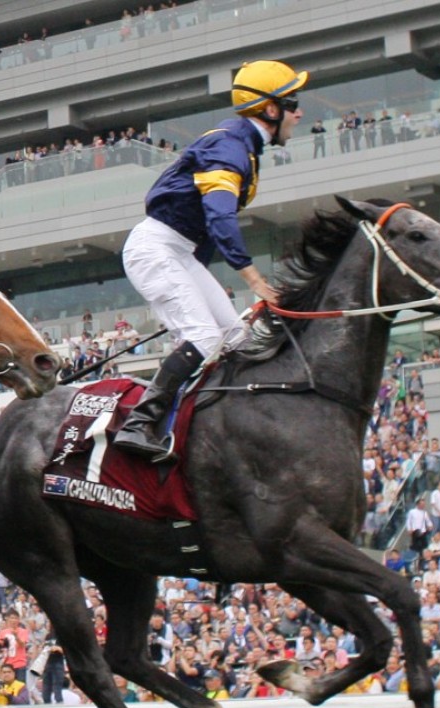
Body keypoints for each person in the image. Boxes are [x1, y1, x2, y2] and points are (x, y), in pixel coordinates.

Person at [115, 60, 305, 459]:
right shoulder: (231, 146)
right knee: (205, 337)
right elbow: (219, 217)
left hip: (177, 252)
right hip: (157, 247)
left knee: (238, 339)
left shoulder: (242, 143)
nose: (299, 113)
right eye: (293, 103)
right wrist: (255, 281)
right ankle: (139, 423)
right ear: (270, 111)